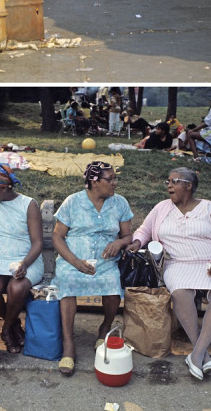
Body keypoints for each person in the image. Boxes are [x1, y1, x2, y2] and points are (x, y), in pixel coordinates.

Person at [127, 168, 211, 381]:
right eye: (168, 181)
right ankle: (202, 352)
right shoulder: (162, 208)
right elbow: (144, 230)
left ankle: (197, 354)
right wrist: (136, 242)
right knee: (180, 293)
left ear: (189, 186)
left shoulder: (208, 207)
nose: (169, 185)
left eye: (174, 181)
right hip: (178, 263)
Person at [52, 161, 133, 376]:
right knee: (67, 281)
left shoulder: (120, 203)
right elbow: (57, 236)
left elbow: (128, 235)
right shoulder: (73, 202)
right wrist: (74, 261)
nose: (115, 183)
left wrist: (119, 243)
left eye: (115, 178)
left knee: (113, 284)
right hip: (73, 260)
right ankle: (69, 345)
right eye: (110, 179)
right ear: (94, 182)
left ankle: (104, 328)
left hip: (105, 262)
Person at [0, 164, 44, 354]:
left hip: (27, 259)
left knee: (16, 287)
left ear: (3, 188)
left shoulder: (28, 204)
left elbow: (37, 243)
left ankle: (6, 330)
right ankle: (14, 325)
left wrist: (25, 264)